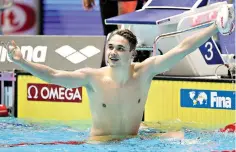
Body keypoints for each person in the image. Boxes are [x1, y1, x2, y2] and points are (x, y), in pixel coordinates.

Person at [4, 5, 234, 142]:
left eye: (120, 49)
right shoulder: (92, 77)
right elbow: (53, 75)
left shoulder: (145, 72)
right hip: (100, 145)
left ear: (132, 54)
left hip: (134, 142)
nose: (112, 53)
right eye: (111, 47)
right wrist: (21, 61)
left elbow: (183, 48)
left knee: (185, 138)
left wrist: (215, 26)